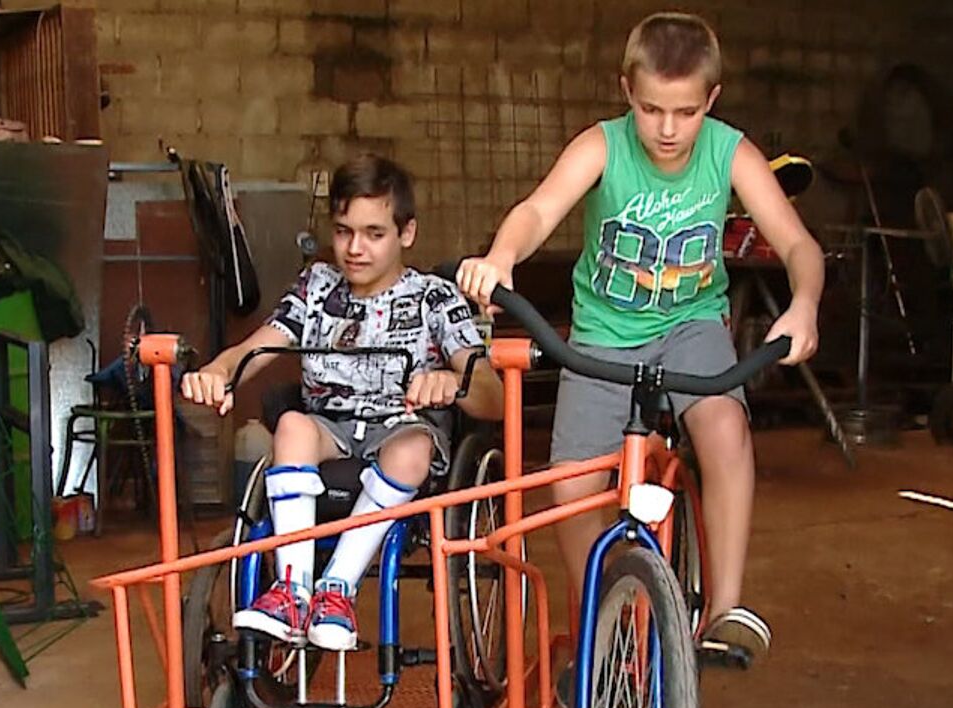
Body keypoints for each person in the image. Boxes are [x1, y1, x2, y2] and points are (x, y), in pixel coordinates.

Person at [457, 12, 824, 662]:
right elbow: (540, 208)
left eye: (684, 112)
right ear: (627, 89)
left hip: (690, 327)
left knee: (726, 430)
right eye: (652, 108)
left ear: (710, 99)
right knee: (570, 483)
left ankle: (726, 607)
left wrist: (804, 304)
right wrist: (503, 255)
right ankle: (597, 611)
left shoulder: (728, 151)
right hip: (602, 335)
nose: (666, 129)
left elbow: (797, 242)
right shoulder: (601, 145)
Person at [180, 154, 499, 651]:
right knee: (289, 425)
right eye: (345, 231)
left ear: (405, 233)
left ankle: (337, 589)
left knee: (412, 448)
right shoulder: (316, 286)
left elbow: (492, 395)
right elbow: (262, 345)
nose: (355, 248)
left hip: (401, 430)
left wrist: (450, 381)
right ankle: (292, 590)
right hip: (330, 430)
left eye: (374, 233)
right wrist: (222, 370)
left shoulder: (434, 297)